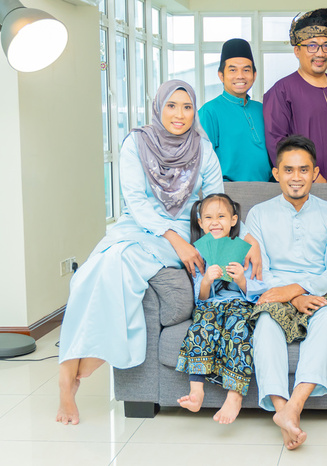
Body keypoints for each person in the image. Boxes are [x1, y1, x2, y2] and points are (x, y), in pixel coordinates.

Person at [56, 80, 261, 425]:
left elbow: (215, 208)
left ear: (195, 111)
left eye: (187, 107)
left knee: (122, 261)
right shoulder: (136, 142)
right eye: (171, 106)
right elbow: (135, 201)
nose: (179, 114)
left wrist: (248, 238)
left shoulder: (203, 150)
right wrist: (172, 239)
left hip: (184, 227)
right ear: (158, 107)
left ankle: (87, 359)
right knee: (92, 270)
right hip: (138, 224)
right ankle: (68, 369)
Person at [246, 135, 327, 449]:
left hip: (320, 292)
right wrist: (291, 294)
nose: (296, 177)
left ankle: (294, 408)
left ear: (315, 173)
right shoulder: (258, 215)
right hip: (275, 292)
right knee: (265, 326)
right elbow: (255, 276)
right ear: (276, 173)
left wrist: (300, 289)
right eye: (288, 170)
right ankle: (281, 411)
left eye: (303, 170)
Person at [176, 193, 266, 424]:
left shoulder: (246, 250)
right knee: (200, 327)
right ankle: (196, 391)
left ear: (234, 220)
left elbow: (259, 288)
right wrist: (206, 279)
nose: (215, 222)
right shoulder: (199, 254)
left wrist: (241, 281)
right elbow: (201, 297)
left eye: (221, 216)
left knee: (239, 331)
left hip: (240, 305)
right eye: (208, 217)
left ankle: (234, 396)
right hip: (212, 304)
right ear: (201, 223)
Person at [263, 8, 327, 184]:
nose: (320, 53)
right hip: (302, 188)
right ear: (297, 51)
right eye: (312, 46)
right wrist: (313, 177)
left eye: (326, 45)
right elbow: (278, 144)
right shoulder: (281, 91)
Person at [199, 38, 272, 182]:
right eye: (232, 70)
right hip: (227, 193)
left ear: (254, 75)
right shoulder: (209, 112)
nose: (240, 76)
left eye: (246, 70)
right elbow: (202, 163)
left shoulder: (263, 109)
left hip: (268, 191)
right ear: (221, 75)